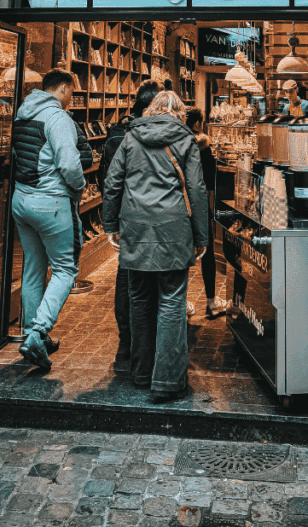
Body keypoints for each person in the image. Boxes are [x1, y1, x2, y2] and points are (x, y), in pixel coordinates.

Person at [103, 90, 208, 402]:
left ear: (150, 109)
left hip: (135, 227)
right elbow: (197, 189)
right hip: (173, 228)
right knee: (172, 301)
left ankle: (141, 372)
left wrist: (110, 224)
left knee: (139, 299)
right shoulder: (186, 139)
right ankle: (168, 379)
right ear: (180, 113)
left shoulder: (131, 137)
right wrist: (202, 235)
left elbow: (112, 182)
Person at [11, 68, 86, 371]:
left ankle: (32, 334)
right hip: (50, 201)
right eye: (73, 92)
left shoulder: (22, 113)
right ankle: (39, 330)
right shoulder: (58, 118)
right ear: (64, 89)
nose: (73, 98)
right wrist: (80, 186)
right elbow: (69, 164)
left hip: (21, 199)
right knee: (66, 270)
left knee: (33, 268)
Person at [99, 80, 160, 372]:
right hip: (151, 217)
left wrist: (110, 220)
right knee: (153, 283)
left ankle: (127, 347)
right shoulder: (150, 133)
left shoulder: (117, 132)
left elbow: (106, 181)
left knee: (127, 281)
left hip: (127, 218)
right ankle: (144, 347)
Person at [185, 108, 231, 319]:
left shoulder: (179, 145)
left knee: (182, 255)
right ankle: (211, 301)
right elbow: (209, 177)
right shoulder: (204, 146)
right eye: (201, 122)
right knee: (208, 251)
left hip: (182, 205)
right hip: (201, 203)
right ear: (196, 124)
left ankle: (182, 302)